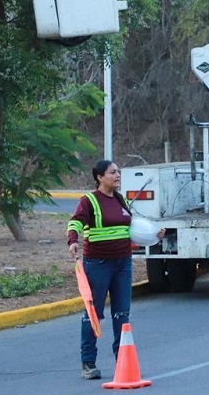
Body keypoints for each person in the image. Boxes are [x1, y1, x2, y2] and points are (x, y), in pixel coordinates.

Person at [67, 159, 165, 380]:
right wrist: (72, 241)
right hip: (98, 264)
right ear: (100, 177)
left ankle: (122, 359)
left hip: (123, 263)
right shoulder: (89, 201)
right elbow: (75, 223)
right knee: (94, 314)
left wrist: (153, 236)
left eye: (119, 172)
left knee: (122, 314)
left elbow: (129, 231)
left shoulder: (121, 200)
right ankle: (88, 363)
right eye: (113, 173)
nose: (118, 175)